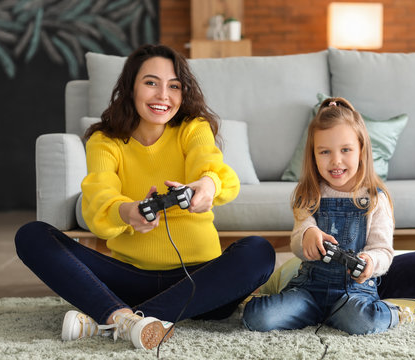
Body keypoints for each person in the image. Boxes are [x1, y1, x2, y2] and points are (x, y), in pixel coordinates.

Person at [15, 44, 275, 350]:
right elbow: (98, 200)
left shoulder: (193, 128)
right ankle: (135, 319)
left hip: (201, 285)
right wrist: (127, 211)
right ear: (130, 87)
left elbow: (215, 169)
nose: (163, 95)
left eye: (174, 86)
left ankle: (116, 320)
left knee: (259, 250)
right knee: (31, 235)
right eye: (151, 82)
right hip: (130, 280)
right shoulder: (105, 140)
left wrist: (207, 186)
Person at [242, 97, 415, 335]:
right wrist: (308, 234)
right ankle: (295, 303)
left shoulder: (375, 199)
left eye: (346, 150)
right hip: (309, 291)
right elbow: (298, 240)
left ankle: (398, 311)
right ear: (313, 155)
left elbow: (384, 251)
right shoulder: (308, 194)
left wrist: (369, 262)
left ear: (361, 150)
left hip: (354, 293)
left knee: (364, 322)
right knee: (257, 318)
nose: (336, 161)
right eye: (325, 152)